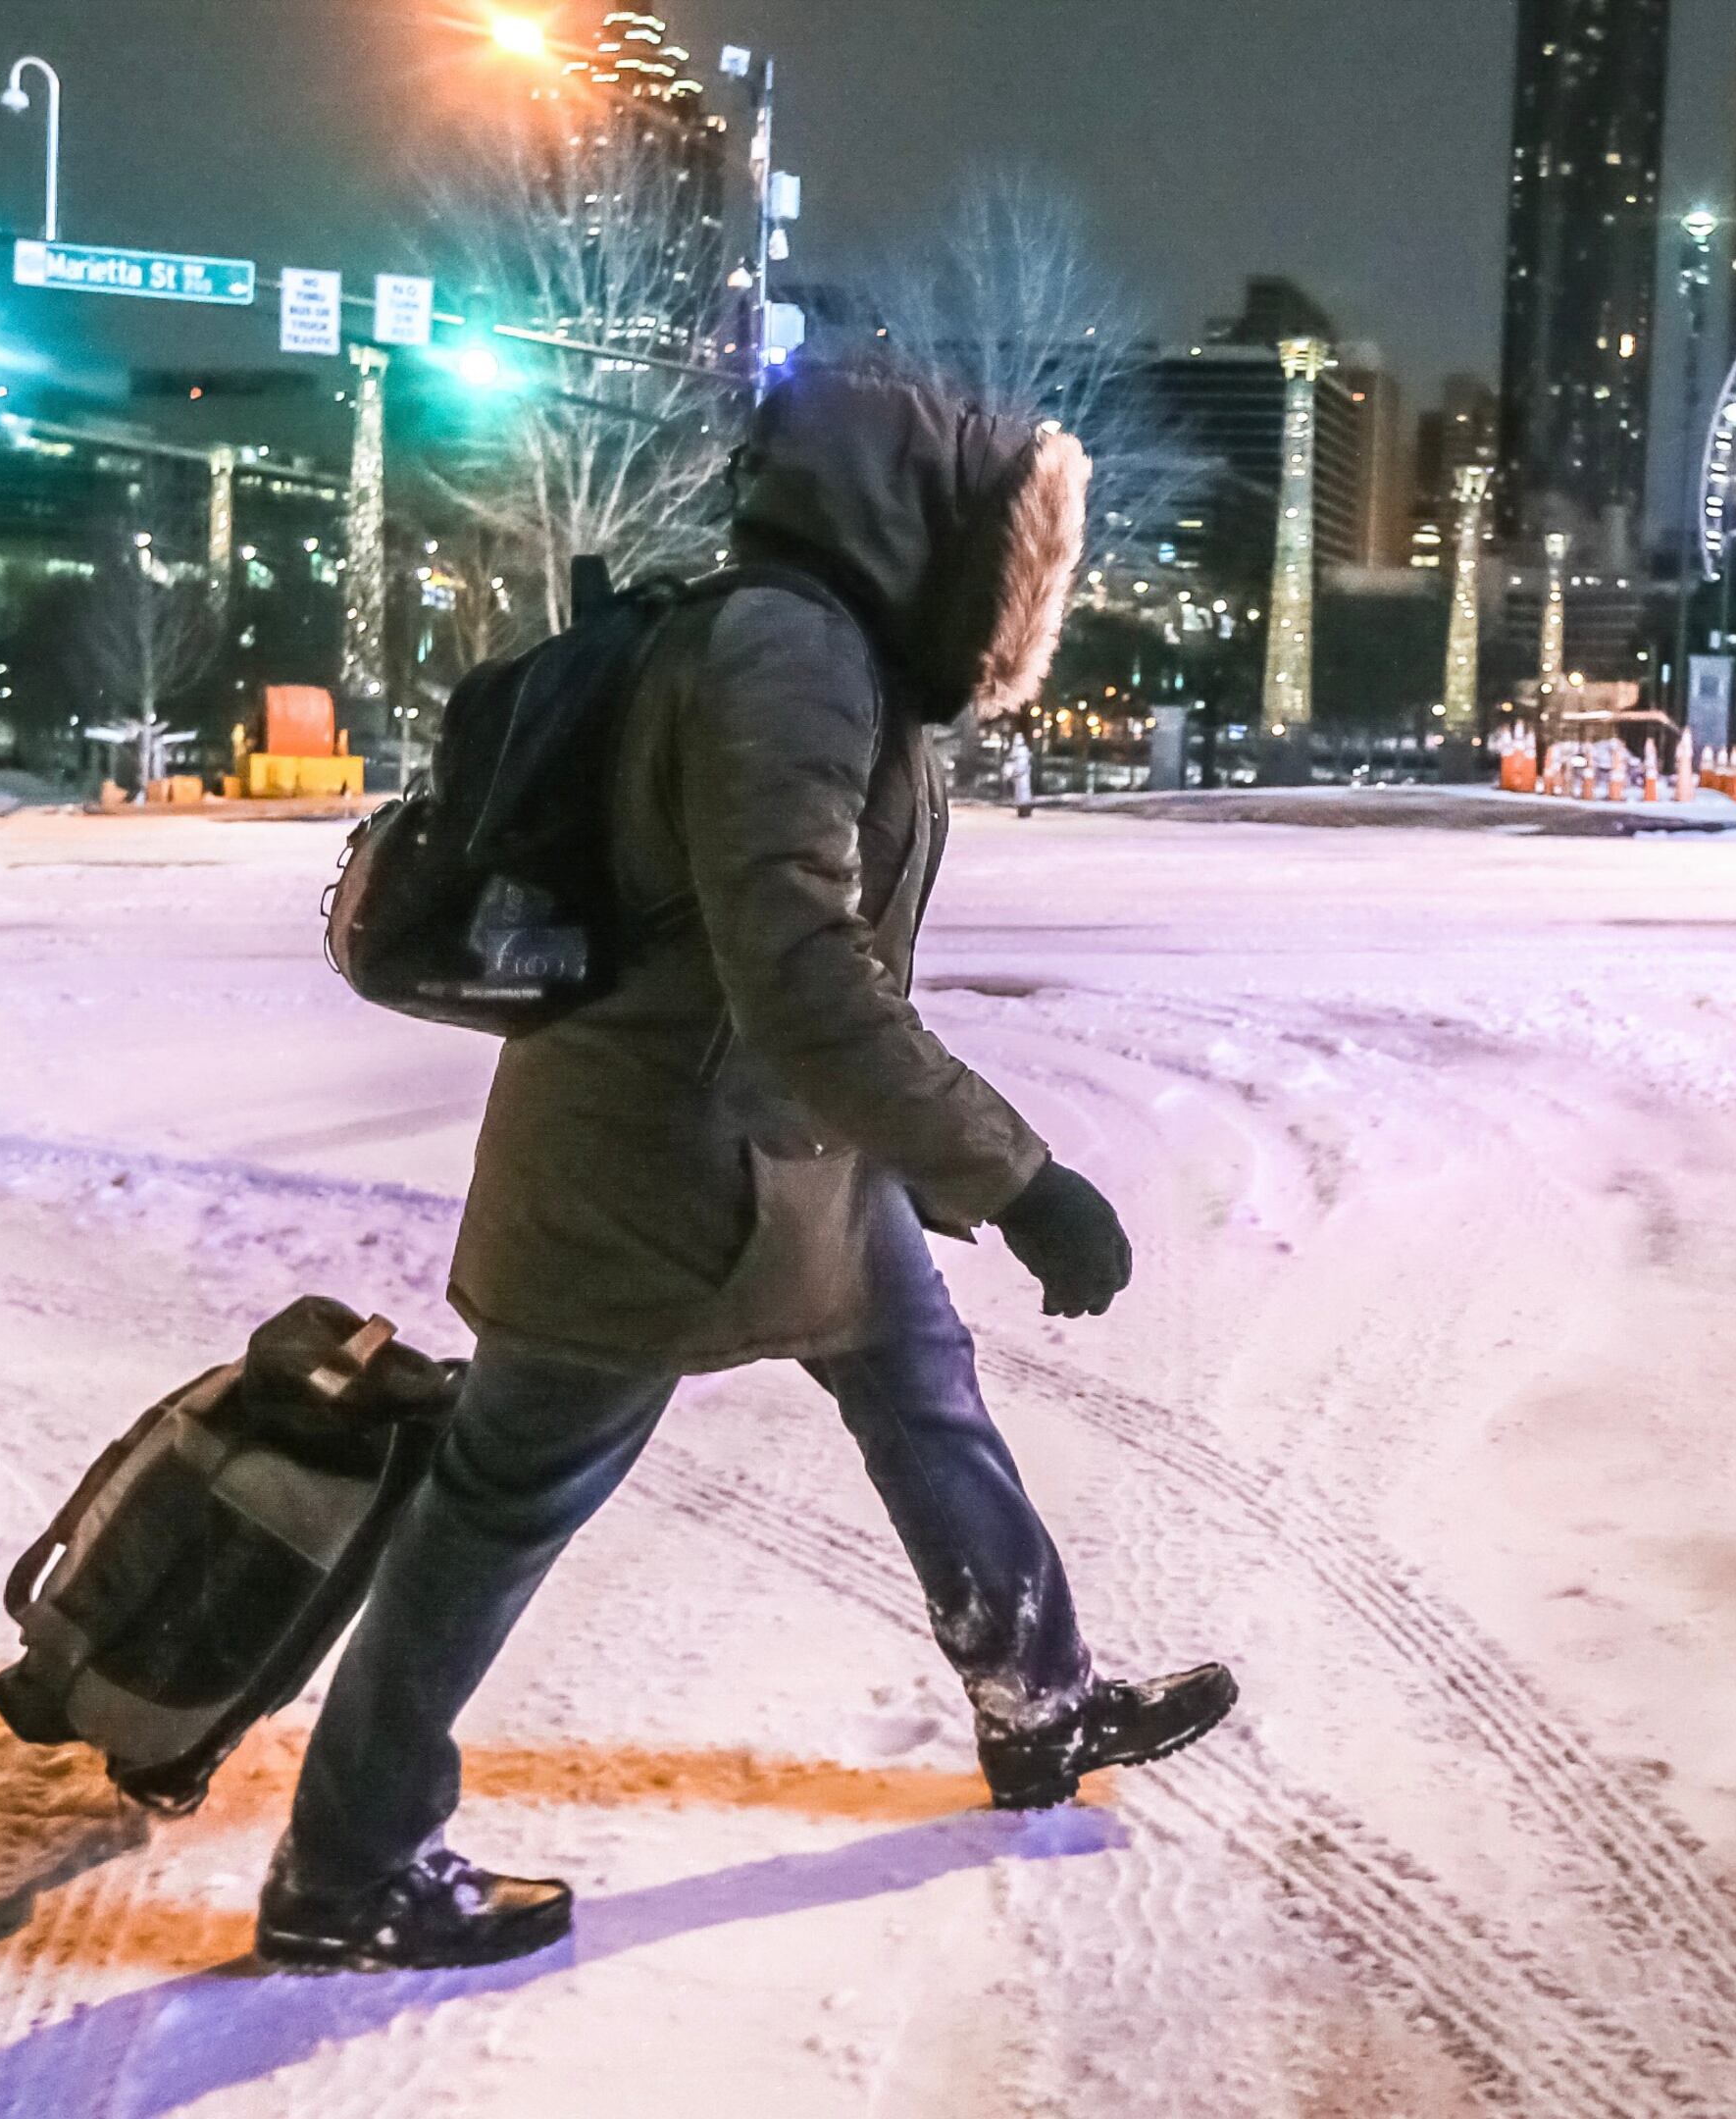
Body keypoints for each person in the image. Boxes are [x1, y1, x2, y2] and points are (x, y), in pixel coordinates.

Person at [256, 364, 1238, 1975]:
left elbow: (823, 977)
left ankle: (1040, 1704)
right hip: (660, 1174)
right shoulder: (786, 654)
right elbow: (802, 970)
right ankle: (344, 1868)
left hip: (783, 1156)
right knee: (496, 1504)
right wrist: (1017, 1174)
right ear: (919, 526)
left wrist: (919, 1163)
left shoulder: (821, 647)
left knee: (926, 1391)